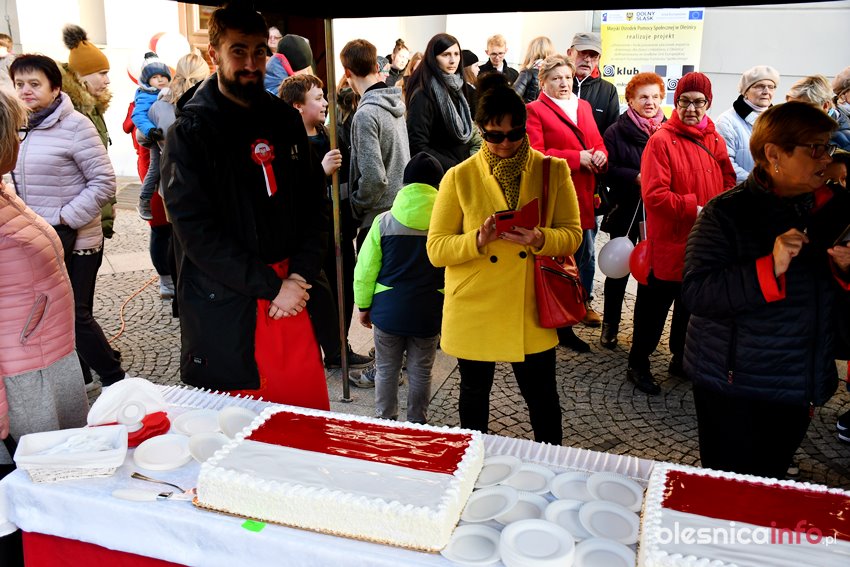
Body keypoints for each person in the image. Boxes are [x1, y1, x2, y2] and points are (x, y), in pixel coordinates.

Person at [159, 4, 330, 410]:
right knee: (239, 424)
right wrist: (273, 287)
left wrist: (300, 276)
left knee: (301, 417)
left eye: (259, 51)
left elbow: (314, 206)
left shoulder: (285, 121)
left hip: (291, 292)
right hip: (227, 298)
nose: (251, 63)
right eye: (239, 51)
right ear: (213, 54)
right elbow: (195, 233)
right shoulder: (190, 132)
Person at [682, 101, 850, 478]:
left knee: (772, 477)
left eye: (828, 147)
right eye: (815, 148)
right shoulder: (726, 213)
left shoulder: (834, 208)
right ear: (774, 154)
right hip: (735, 385)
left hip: (800, 380)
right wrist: (769, 267)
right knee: (728, 485)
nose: (827, 157)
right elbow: (697, 292)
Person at [427, 73, 582, 445]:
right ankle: (474, 460)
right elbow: (436, 249)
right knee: (474, 393)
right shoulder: (458, 177)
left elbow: (573, 234)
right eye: (495, 136)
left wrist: (540, 238)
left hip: (530, 304)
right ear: (480, 131)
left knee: (542, 397)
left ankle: (552, 462)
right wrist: (478, 240)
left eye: (515, 133)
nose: (506, 143)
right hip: (475, 302)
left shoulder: (552, 170)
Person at [0, 88, 88, 567]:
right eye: (16, 131)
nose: (21, 140)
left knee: (62, 490)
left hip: (48, 362)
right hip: (22, 382)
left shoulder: (4, 190)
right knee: (33, 499)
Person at [10, 54, 126, 390]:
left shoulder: (76, 125)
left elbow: (104, 182)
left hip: (77, 239)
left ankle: (116, 380)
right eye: (20, 84)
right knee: (52, 313)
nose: (26, 91)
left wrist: (66, 218)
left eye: (35, 84)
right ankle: (82, 376)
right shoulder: (17, 125)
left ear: (55, 88)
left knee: (75, 314)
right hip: (36, 240)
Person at [626, 72, 736, 395]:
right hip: (669, 242)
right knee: (653, 308)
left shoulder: (714, 139)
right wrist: (697, 209)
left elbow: (728, 178)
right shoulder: (661, 140)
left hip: (703, 242)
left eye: (698, 102)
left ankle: (680, 358)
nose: (691, 108)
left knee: (690, 305)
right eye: (685, 101)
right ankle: (638, 362)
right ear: (676, 103)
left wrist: (719, 207)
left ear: (708, 104)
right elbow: (654, 195)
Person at [278, 73, 372, 370]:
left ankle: (339, 346)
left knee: (344, 286)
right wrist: (320, 171)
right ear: (297, 106)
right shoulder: (287, 143)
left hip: (338, 226)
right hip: (309, 232)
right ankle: (330, 349)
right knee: (322, 292)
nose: (325, 103)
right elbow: (291, 193)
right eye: (317, 98)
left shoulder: (331, 134)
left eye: (324, 97)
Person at [353, 152, 445, 423]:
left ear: (405, 185)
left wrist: (364, 306)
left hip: (388, 312)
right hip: (429, 312)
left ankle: (386, 421)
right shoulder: (447, 225)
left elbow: (364, 271)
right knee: (421, 371)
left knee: (385, 370)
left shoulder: (383, 223)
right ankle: (418, 423)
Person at [526, 55, 608, 352]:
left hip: (585, 193)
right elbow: (536, 154)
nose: (564, 83)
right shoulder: (534, 110)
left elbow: (597, 142)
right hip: (558, 196)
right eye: (556, 78)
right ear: (543, 82)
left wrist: (600, 154)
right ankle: (560, 323)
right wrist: (576, 158)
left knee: (584, 255)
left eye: (567, 77)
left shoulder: (582, 106)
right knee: (560, 259)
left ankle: (578, 307)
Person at [599, 72, 666, 349]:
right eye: (643, 97)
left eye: (655, 97)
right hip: (625, 209)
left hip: (657, 213)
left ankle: (642, 329)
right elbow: (606, 169)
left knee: (650, 273)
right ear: (631, 100)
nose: (650, 102)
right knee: (619, 271)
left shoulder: (667, 130)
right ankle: (610, 324)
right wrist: (634, 176)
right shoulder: (615, 131)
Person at [146, 51, 211, 300]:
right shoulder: (210, 103)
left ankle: (179, 295)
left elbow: (145, 139)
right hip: (204, 182)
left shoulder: (159, 106)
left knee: (177, 239)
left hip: (171, 181)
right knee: (206, 237)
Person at [340, 38, 410, 255]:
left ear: (347, 72)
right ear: (375, 67)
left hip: (378, 220)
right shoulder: (395, 104)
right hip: (401, 210)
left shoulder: (366, 113)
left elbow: (373, 178)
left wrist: (355, 204)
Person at [405, 33, 475, 173]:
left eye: (456, 54)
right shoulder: (423, 94)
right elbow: (417, 145)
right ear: (433, 58)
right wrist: (454, 167)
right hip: (438, 174)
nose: (452, 60)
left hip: (460, 170)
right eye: (446, 54)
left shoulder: (458, 89)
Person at [715, 65, 780, 183]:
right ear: (745, 92)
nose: (766, 91)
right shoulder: (726, 121)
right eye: (760, 86)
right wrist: (759, 183)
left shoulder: (780, 121)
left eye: (771, 87)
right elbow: (726, 163)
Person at [132, 52, 172, 221]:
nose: (160, 80)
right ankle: (144, 200)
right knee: (155, 169)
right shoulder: (146, 96)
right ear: (147, 81)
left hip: (167, 137)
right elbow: (138, 115)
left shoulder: (171, 92)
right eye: (155, 77)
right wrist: (150, 130)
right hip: (156, 137)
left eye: (163, 76)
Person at [786, 74, 850, 151]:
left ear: (825, 106)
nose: (794, 116)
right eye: (790, 109)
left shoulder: (843, 141)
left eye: (804, 111)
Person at [513, 36, 556, 104]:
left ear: (531, 52)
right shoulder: (555, 75)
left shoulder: (527, 73)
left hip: (529, 110)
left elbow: (512, 98)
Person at [461, 49, 479, 114]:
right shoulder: (468, 91)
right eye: (476, 66)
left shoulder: (472, 87)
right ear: (467, 69)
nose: (478, 69)